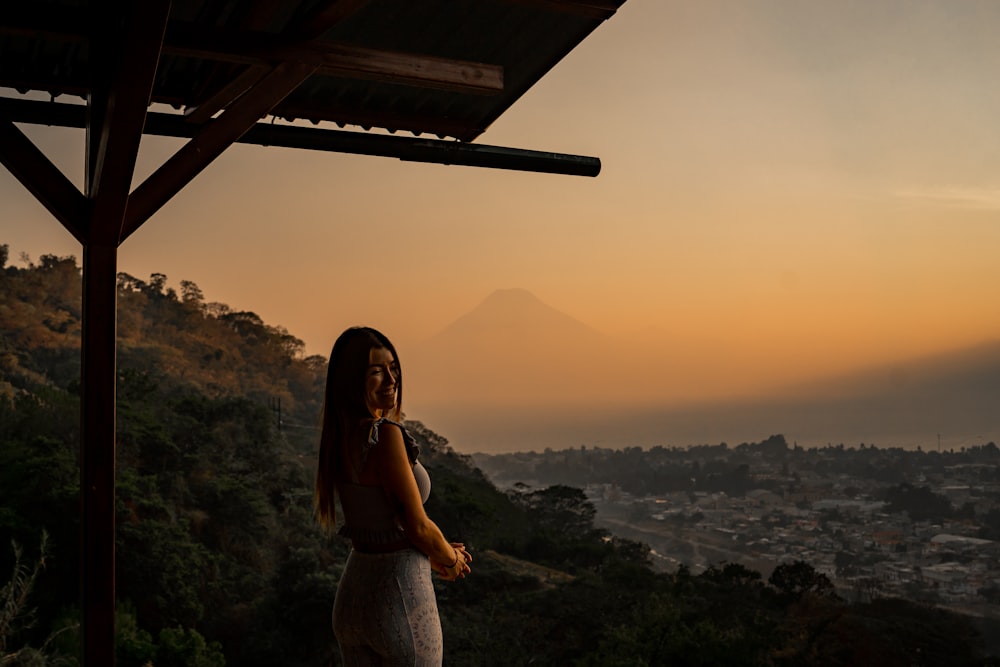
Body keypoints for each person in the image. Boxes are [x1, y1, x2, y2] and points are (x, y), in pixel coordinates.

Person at [315, 326, 471, 666]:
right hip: (398, 596)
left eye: (393, 368)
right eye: (375, 371)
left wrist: (431, 555)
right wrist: (450, 559)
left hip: (353, 598)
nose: (391, 379)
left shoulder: (339, 437)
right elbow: (416, 526)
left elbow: (379, 520)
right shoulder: (383, 436)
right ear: (351, 380)